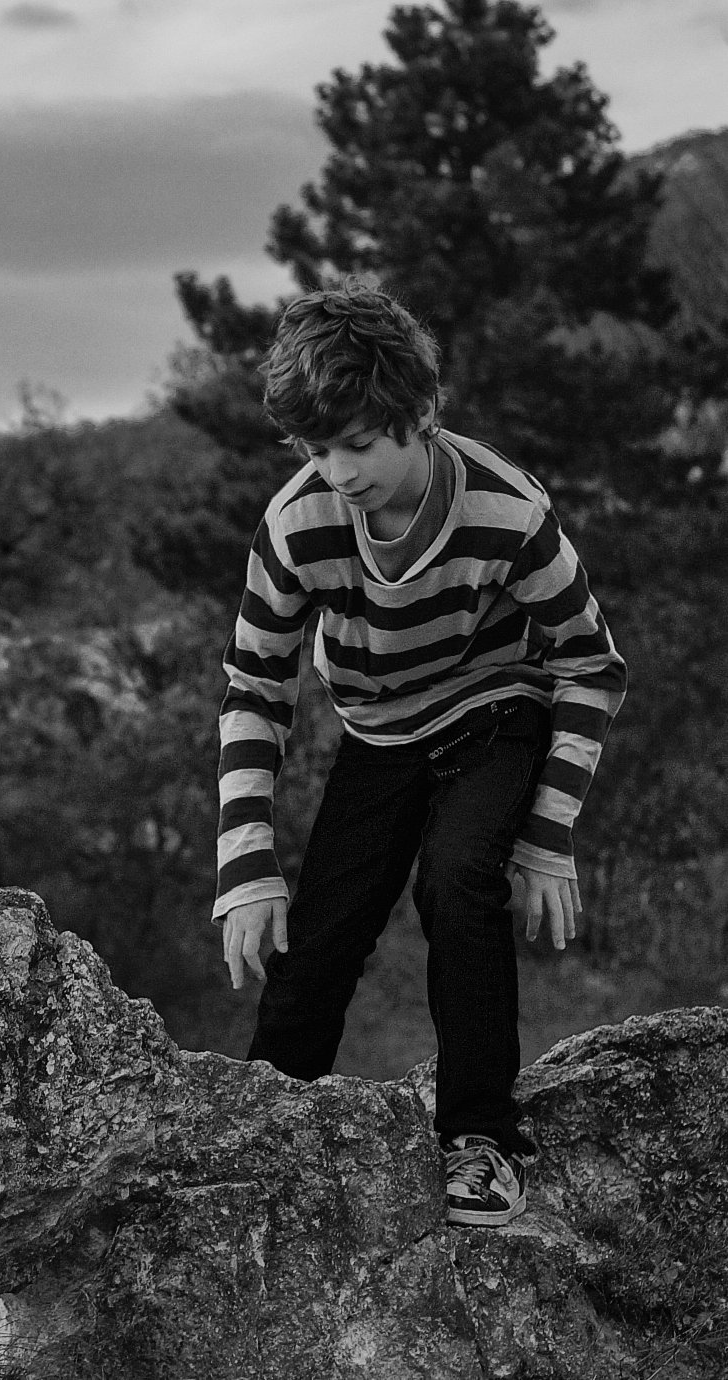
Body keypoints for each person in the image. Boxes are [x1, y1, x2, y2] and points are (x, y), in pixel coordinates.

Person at [214, 280, 625, 1227]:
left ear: (423, 412)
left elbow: (590, 665)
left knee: (456, 878)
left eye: (360, 444)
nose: (338, 471)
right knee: (317, 940)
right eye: (316, 449)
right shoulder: (295, 526)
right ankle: (261, 1135)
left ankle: (480, 1138)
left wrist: (548, 835)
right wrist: (246, 867)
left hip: (492, 709)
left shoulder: (507, 512)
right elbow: (254, 688)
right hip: (378, 730)